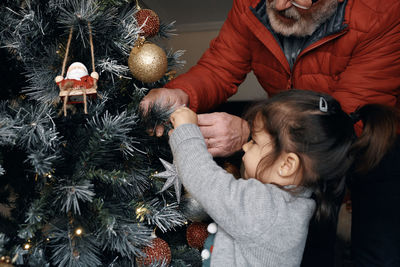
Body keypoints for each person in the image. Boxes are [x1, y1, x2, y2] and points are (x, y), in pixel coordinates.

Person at [141, 0, 400, 265]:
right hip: (290, 141)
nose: (278, 4)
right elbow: (220, 67)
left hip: (351, 143)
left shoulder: (381, 13)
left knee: (376, 250)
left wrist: (191, 131)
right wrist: (183, 93)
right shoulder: (293, 203)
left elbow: (339, 128)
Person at [166, 90, 399, 267]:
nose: (245, 147)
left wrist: (187, 131)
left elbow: (204, 179)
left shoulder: (265, 208)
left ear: (287, 165)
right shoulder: (293, 204)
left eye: (255, 142)